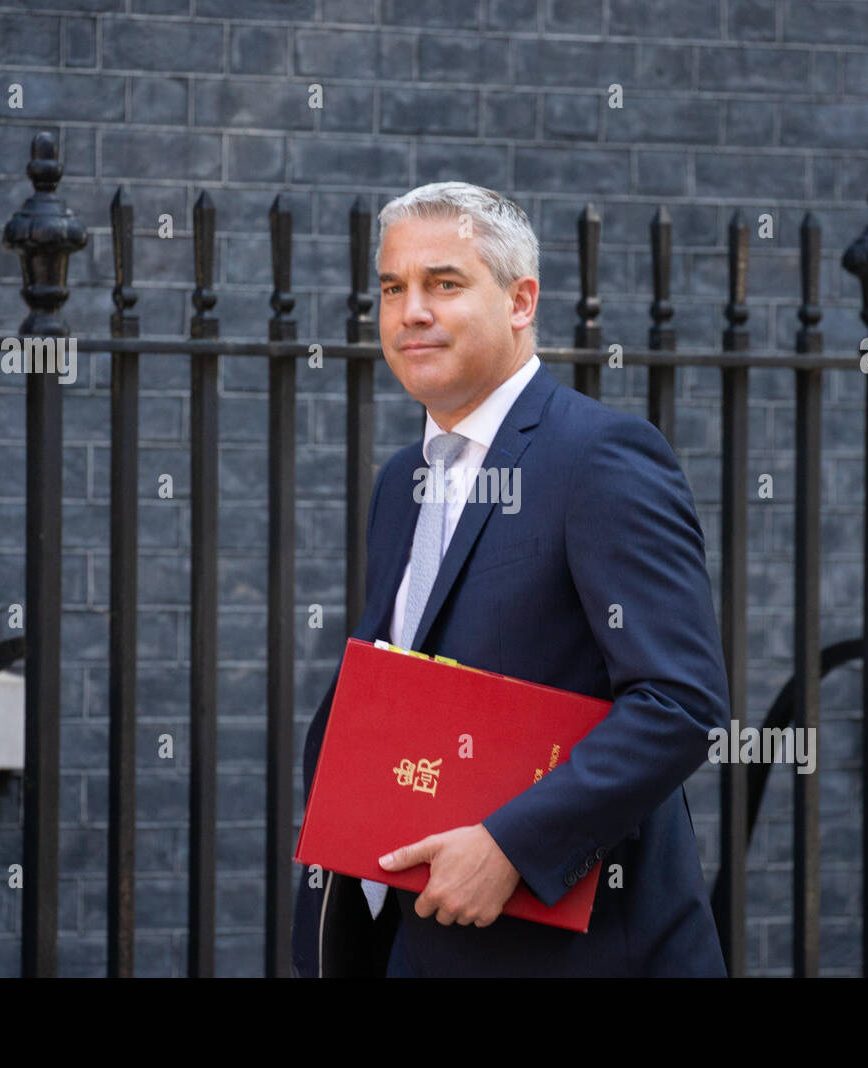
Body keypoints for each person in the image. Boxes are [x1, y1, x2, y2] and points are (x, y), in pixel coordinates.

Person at [291, 181, 730, 977]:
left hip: (573, 959)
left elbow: (680, 703)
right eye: (393, 288)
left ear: (521, 300)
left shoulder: (601, 459)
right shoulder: (402, 480)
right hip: (410, 943)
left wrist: (511, 847)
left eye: (444, 284)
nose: (410, 311)